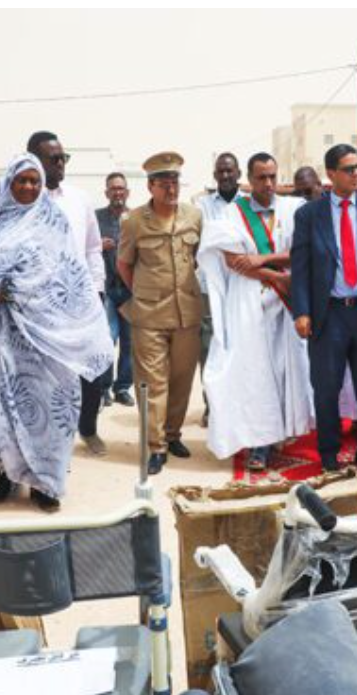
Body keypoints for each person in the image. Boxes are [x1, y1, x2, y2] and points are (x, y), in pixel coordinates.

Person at [0, 154, 112, 510]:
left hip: (45, 338)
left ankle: (46, 483)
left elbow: (70, 276)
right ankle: (5, 476)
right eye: (21, 180)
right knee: (1, 408)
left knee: (47, 408)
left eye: (34, 181)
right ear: (8, 183)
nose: (28, 187)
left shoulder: (53, 223)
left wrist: (29, 292)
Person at [197, 152, 311, 470]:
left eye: (273, 176)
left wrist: (262, 260)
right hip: (248, 303)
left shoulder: (292, 209)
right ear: (249, 178)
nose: (269, 183)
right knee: (254, 373)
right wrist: (276, 276)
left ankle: (278, 433)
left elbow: (300, 252)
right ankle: (258, 443)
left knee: (284, 370)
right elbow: (234, 262)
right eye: (261, 177)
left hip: (284, 305)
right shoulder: (232, 214)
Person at [291, 143, 357, 472]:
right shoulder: (309, 214)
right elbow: (301, 267)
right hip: (328, 314)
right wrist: (302, 311)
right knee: (326, 388)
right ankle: (329, 454)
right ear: (331, 174)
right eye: (349, 169)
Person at [26, 130, 111, 458]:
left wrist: (96, 290)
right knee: (45, 376)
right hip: (37, 307)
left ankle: (87, 428)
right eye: (55, 159)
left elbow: (92, 248)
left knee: (91, 369)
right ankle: (46, 442)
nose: (62, 164)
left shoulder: (78, 199)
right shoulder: (21, 200)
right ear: (34, 160)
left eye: (64, 158)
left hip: (80, 301)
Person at [118, 152, 203, 475]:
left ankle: (173, 434)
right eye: (164, 183)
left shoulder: (194, 216)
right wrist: (145, 291)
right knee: (153, 382)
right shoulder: (135, 222)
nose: (172, 189)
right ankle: (156, 447)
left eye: (175, 182)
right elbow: (124, 265)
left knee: (182, 379)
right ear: (150, 187)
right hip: (150, 316)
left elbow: (197, 258)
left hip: (186, 313)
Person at [195, 152, 242, 426]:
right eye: (220, 172)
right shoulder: (202, 207)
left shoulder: (248, 206)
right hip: (208, 290)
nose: (225, 176)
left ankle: (236, 403)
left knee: (240, 345)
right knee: (208, 347)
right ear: (215, 175)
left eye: (230, 171)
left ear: (238, 174)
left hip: (240, 287)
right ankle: (211, 404)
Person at [96, 172, 135, 407]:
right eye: (113, 189)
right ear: (106, 193)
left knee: (130, 342)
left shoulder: (137, 218)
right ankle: (103, 389)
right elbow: (82, 245)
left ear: (127, 192)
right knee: (106, 340)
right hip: (107, 289)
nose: (117, 192)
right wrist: (97, 245)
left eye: (121, 188)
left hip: (131, 289)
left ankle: (122, 388)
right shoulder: (96, 218)